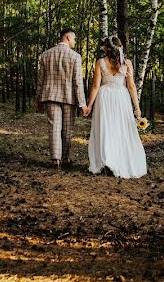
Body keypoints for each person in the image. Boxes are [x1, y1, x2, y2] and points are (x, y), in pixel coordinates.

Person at [85, 36, 147, 178]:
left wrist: (89, 105)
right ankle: (118, 161)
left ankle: (106, 161)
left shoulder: (100, 62)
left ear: (107, 48)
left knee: (105, 128)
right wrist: (136, 107)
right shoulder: (126, 63)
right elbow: (131, 86)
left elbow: (95, 86)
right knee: (121, 128)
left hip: (104, 97)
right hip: (121, 97)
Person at [35, 28, 89, 169]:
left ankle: (55, 160)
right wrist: (82, 103)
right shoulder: (75, 57)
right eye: (74, 38)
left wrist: (38, 100)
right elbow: (78, 83)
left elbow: (40, 80)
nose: (75, 41)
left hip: (50, 96)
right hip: (68, 97)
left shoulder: (45, 55)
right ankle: (65, 158)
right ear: (67, 37)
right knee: (67, 128)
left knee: (54, 127)